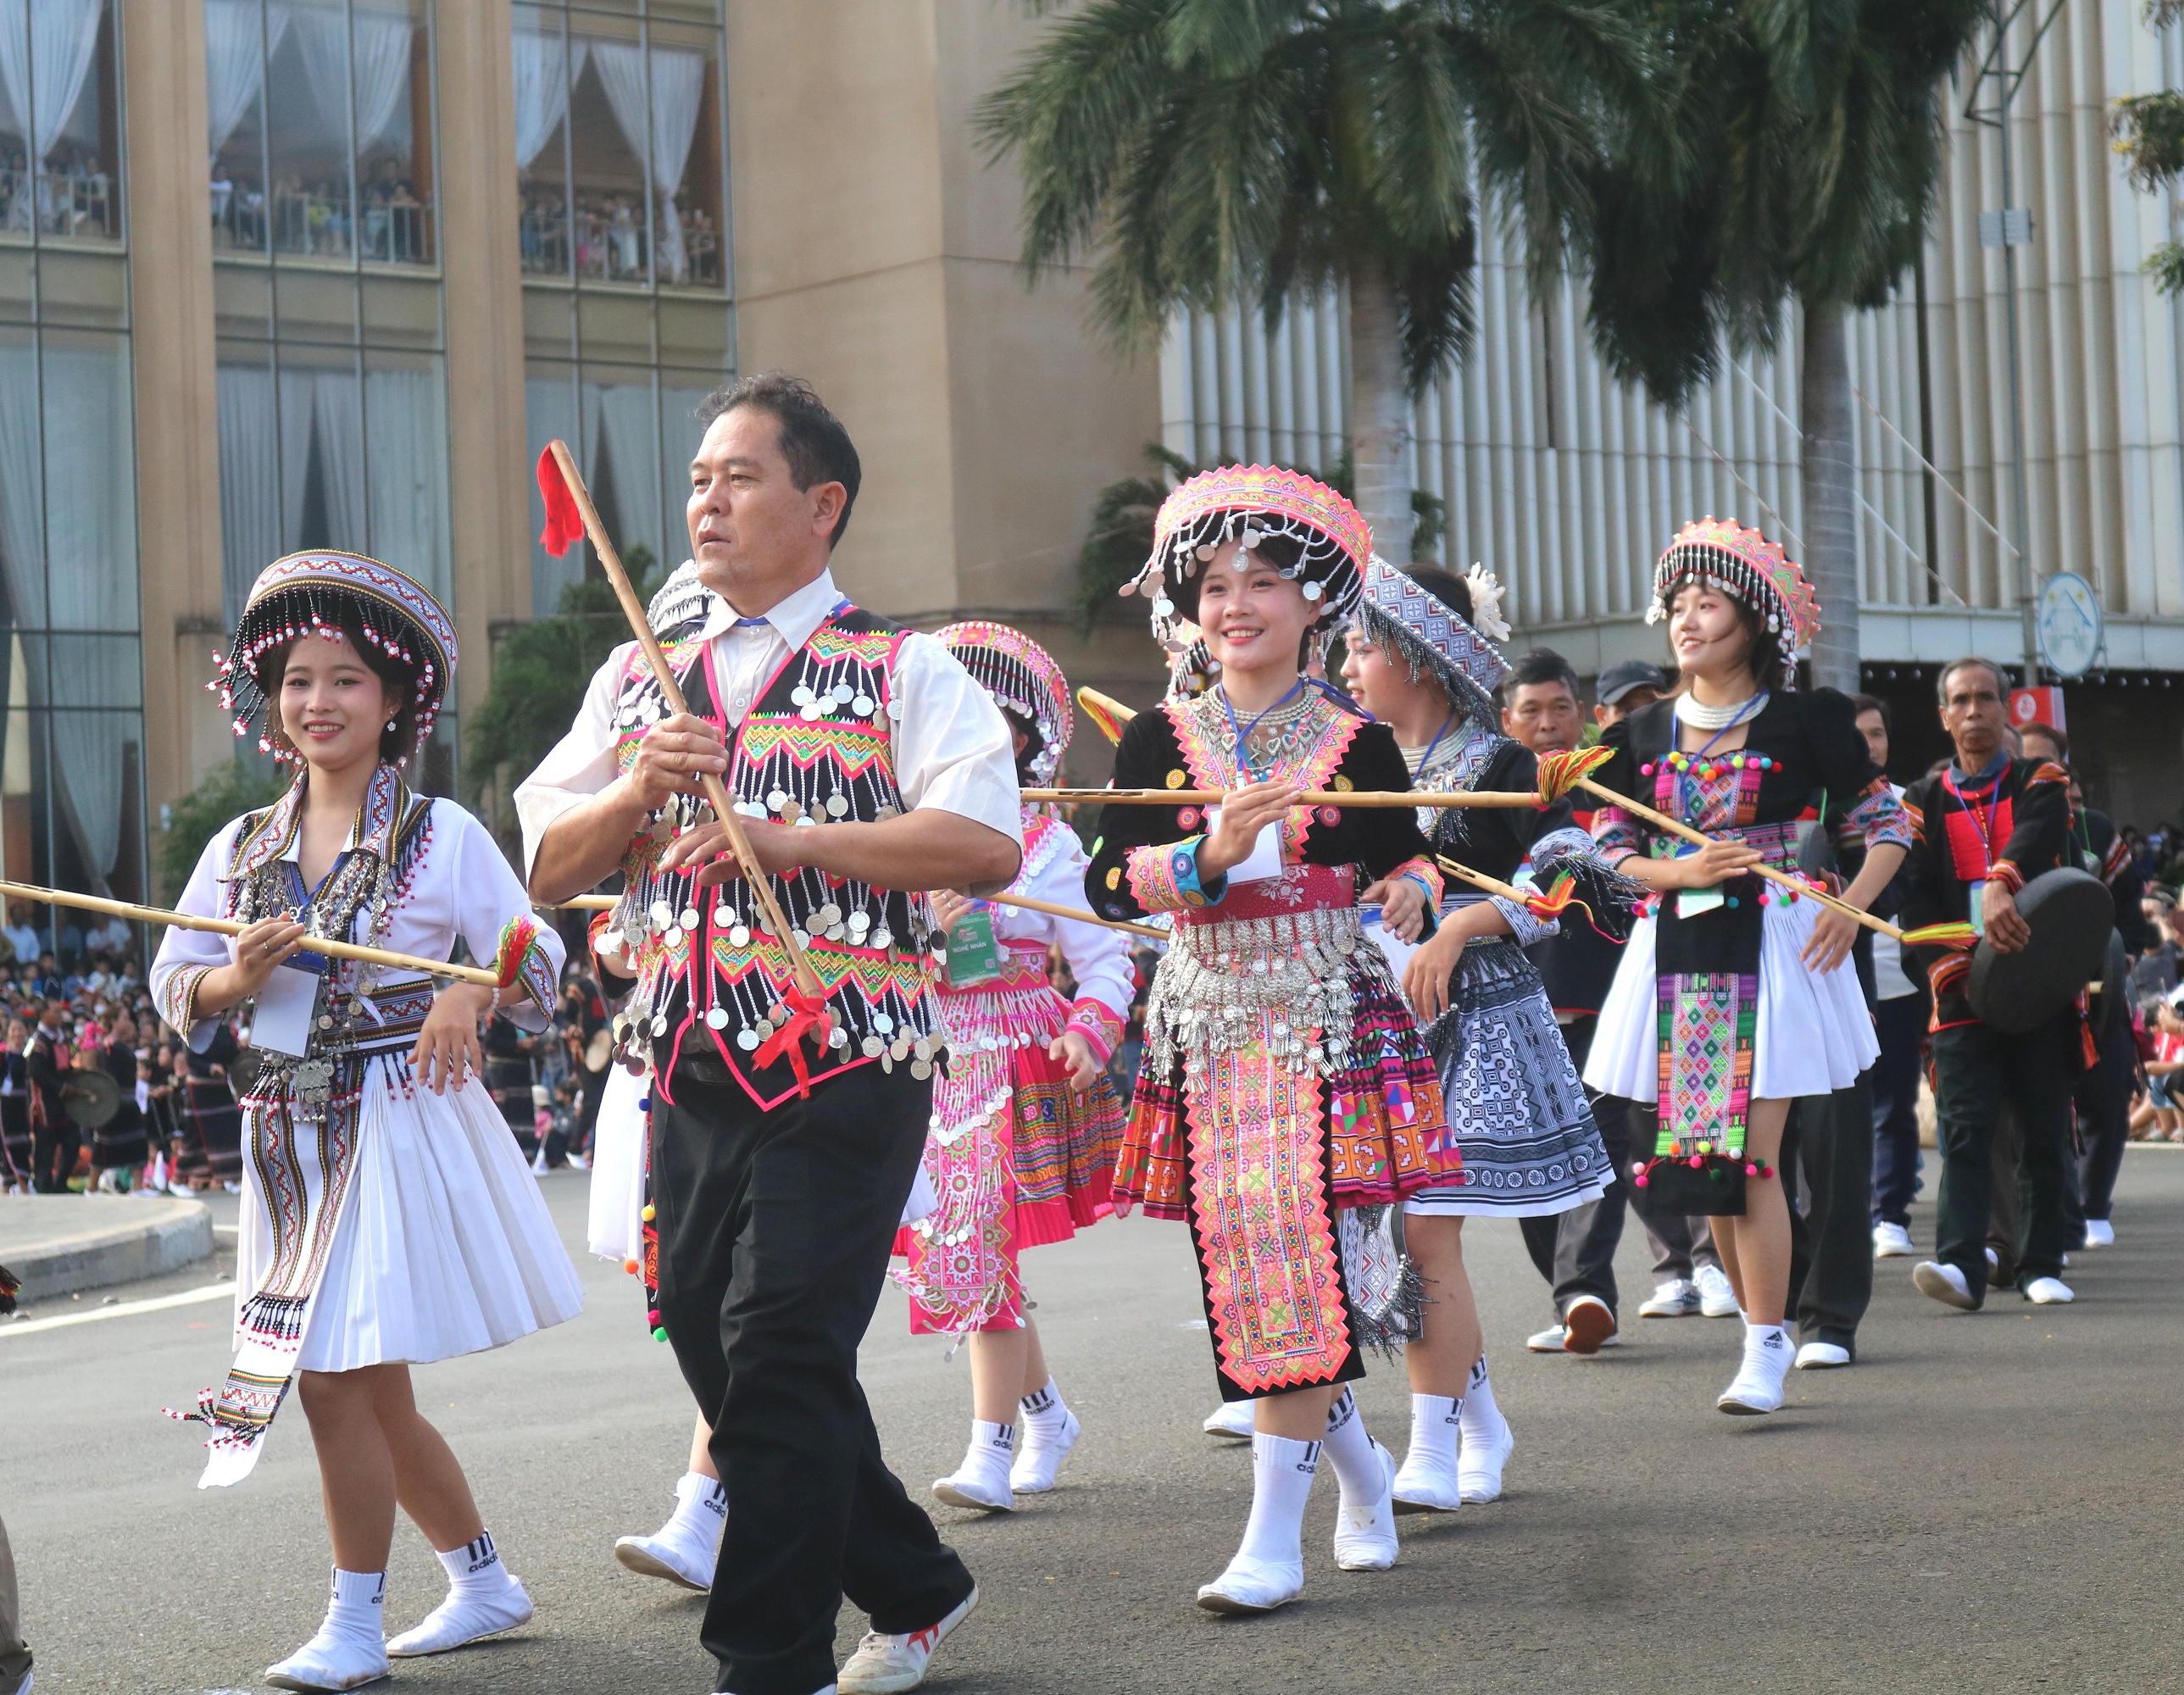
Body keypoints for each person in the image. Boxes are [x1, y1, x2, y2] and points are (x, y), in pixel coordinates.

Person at [520, 375, 1014, 1695]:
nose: (706, 500)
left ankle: (763, 1664)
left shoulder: (907, 669)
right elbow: (547, 866)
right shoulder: (641, 674)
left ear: (823, 503)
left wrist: (797, 840)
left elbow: (981, 843)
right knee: (719, 1347)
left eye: (739, 476)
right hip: (687, 1056)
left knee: (785, 1342)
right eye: (697, 480)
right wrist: (637, 786)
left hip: (854, 1053)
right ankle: (914, 1583)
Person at [152, 551, 582, 1691]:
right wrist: (232, 983)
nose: (318, 702)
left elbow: (539, 957)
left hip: (396, 1125)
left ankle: (353, 1622)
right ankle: (482, 1579)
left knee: (337, 1380)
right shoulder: (238, 847)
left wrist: (465, 987)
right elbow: (172, 985)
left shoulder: (442, 834)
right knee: (371, 1387)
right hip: (284, 1137)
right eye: (297, 680)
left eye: (345, 680)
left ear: (394, 702)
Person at [1085, 464, 1453, 1614]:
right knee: (1253, 1276)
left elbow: (1406, 861)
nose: (1234, 604)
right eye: (1212, 585)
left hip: (1325, 1024)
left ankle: (1268, 1539)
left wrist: (1413, 891)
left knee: (1300, 1266)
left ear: (1316, 603)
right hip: (1204, 1025)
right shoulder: (1154, 737)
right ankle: (1361, 1480)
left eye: (1262, 581)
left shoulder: (1359, 742)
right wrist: (1202, 857)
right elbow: (1105, 887)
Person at [1583, 519, 1909, 1414]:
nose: (1687, 621)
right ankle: (1759, 1333)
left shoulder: (1810, 720)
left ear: (1755, 619)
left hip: (1777, 941)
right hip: (1681, 947)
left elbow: (1886, 822)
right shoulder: (1637, 732)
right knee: (1712, 1159)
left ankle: (1767, 1341)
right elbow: (1606, 854)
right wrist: (1676, 868)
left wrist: (1853, 907)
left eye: (1709, 603)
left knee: (1754, 1155)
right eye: (1679, 605)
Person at [1342, 563, 1621, 1516]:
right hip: (1381, 1020)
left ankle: (1428, 1444)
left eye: (1363, 645)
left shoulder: (1501, 764)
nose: (1347, 662)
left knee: (1423, 1227)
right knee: (1398, 1230)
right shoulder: (1356, 764)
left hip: (1478, 1017)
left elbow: (1574, 874)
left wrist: (1461, 922)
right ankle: (1481, 1417)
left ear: (1421, 656)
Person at [900, 621, 1134, 1513]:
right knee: (968, 1248)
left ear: (1023, 745)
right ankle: (1045, 1414)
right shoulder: (900, 837)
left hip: (1014, 1061)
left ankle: (990, 1448)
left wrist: (1089, 1029)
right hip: (923, 1057)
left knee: (975, 1244)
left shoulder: (1048, 845)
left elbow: (1107, 958)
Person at [1896, 659, 2076, 1309]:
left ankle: (2041, 1265)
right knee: (1965, 1128)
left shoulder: (2039, 777)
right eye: (1959, 701)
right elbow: (1910, 894)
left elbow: (2040, 832)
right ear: (1943, 717)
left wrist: (2000, 878)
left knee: (2040, 1126)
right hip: (1959, 984)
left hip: (2037, 979)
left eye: (1984, 699)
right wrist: (1944, 968)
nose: (1973, 712)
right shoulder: (1919, 800)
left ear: (2006, 711)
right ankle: (1962, 1268)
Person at [2020, 720, 2142, 1249]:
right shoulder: (2002, 827)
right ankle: (2053, 1216)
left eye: (2047, 766)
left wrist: (2124, 960)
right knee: (2038, 1104)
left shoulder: (2094, 830)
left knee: (2108, 1093)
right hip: (2025, 989)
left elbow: (2132, 911)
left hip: (2098, 988)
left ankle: (2094, 1207)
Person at [1855, 696, 1929, 1259]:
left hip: (1898, 981)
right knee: (1834, 1107)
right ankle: (1846, 1211)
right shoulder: (1818, 804)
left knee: (1893, 1102)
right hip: (1829, 976)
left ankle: (1891, 1213)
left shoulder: (1909, 806)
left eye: (1877, 733)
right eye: (1858, 735)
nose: (1869, 745)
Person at [25, 1001, 72, 1194]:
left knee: (73, 1142)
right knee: (45, 1151)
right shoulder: (37, 1041)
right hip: (44, 1105)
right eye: (56, 1011)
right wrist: (61, 1088)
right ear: (43, 1014)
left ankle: (60, 1183)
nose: (60, 1015)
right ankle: (43, 1188)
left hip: (66, 1104)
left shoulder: (62, 1038)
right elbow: (36, 1073)